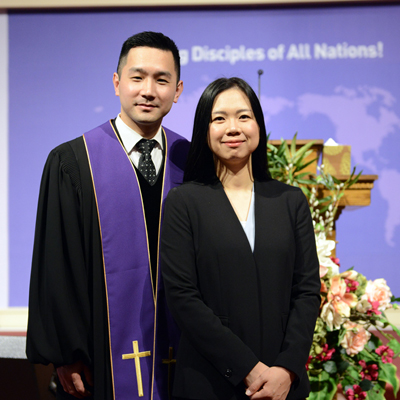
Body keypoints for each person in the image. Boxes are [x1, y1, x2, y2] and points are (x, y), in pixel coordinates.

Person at [26, 31, 189, 400]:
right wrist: (67, 354)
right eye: (137, 77)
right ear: (117, 83)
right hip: (100, 358)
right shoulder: (73, 163)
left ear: (177, 90)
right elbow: (58, 265)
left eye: (161, 80)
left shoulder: (192, 162)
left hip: (187, 357)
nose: (148, 90)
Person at [160, 77, 321, 400]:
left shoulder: (290, 201)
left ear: (259, 126)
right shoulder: (183, 203)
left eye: (243, 116)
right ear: (204, 131)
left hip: (282, 385)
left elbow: (306, 291)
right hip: (209, 382)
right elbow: (183, 298)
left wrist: (286, 368)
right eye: (219, 118)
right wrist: (251, 368)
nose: (233, 128)